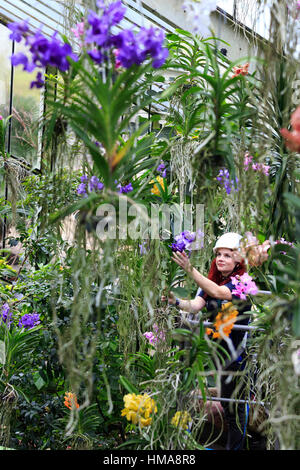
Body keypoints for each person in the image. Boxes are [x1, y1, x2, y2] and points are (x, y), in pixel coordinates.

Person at [162, 232, 251, 450]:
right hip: (217, 354)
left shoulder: (243, 283)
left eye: (228, 255)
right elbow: (195, 305)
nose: (221, 259)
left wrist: (190, 269)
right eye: (218, 255)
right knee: (224, 404)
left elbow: (219, 293)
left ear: (239, 259)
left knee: (233, 408)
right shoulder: (211, 282)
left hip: (236, 355)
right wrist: (176, 302)